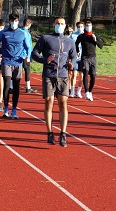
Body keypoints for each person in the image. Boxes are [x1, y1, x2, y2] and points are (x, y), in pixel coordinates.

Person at [32, 17, 77, 147]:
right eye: (58, 23)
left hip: (63, 76)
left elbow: (73, 56)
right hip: (49, 75)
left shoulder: (69, 41)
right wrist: (45, 60)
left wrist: (71, 64)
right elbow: (35, 53)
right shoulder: (46, 38)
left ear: (65, 26)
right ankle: (50, 132)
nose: (60, 25)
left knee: (63, 103)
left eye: (62, 24)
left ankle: (63, 133)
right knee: (49, 102)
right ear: (53, 24)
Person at [0, 13, 31, 119]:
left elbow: (28, 46)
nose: (14, 23)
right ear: (9, 21)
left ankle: (14, 110)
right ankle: (5, 109)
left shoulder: (22, 33)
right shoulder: (4, 33)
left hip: (18, 63)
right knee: (7, 85)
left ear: (18, 22)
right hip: (6, 62)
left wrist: (28, 56)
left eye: (16, 21)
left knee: (16, 87)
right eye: (12, 21)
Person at [75, 20, 103, 101]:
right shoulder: (81, 36)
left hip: (93, 58)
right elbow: (76, 43)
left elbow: (101, 46)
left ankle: (90, 91)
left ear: (91, 26)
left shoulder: (94, 35)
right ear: (85, 27)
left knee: (93, 76)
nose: (88, 27)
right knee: (85, 73)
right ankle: (86, 92)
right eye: (87, 25)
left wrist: (95, 40)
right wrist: (77, 51)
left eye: (89, 25)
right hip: (85, 57)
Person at [21, 18, 37, 94]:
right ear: (29, 24)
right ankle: (28, 87)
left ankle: (11, 86)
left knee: (16, 70)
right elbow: (29, 46)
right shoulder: (26, 33)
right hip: (25, 55)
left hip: (19, 54)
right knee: (27, 70)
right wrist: (29, 56)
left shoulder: (20, 31)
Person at [69, 21, 84, 98]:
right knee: (74, 74)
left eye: (81, 27)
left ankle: (78, 91)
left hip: (83, 58)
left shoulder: (86, 35)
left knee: (81, 75)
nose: (80, 28)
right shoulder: (73, 35)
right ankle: (72, 91)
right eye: (79, 27)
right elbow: (70, 46)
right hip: (75, 58)